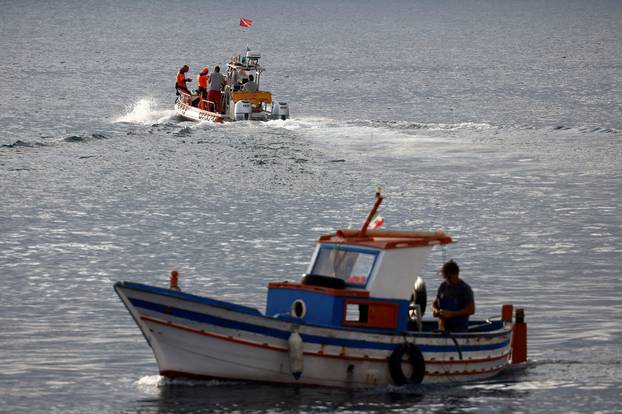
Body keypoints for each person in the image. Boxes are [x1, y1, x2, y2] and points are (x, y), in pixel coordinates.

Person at [431, 260, 475, 332]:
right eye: (445, 278)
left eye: (449, 277)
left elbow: (471, 310)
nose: (448, 281)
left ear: (456, 274)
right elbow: (435, 302)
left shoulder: (465, 289)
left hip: (459, 329)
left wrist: (452, 314)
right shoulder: (443, 286)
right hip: (442, 328)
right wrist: (435, 310)